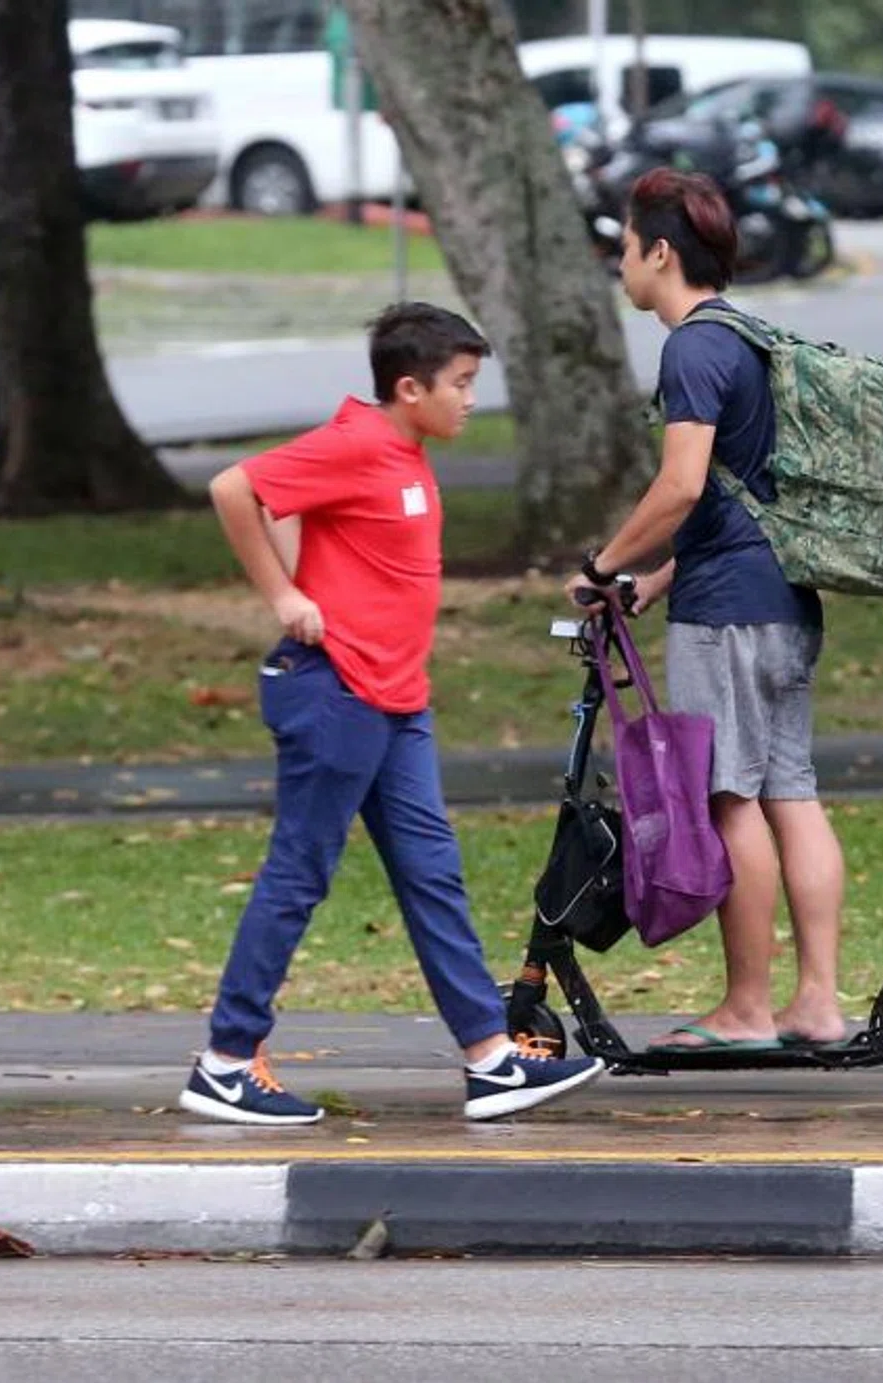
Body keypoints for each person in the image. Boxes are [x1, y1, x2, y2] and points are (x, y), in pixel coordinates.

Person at [181, 302, 607, 1126]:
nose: (471, 399)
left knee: (432, 877)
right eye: (460, 384)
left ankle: (490, 1059)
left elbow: (307, 512)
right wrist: (285, 594)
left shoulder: (405, 453)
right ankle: (227, 1059)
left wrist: (316, 571)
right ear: (409, 388)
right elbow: (236, 489)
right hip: (338, 693)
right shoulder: (358, 442)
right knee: (299, 871)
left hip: (396, 700)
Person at [566, 169, 848, 1053]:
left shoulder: (691, 347)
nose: (619, 264)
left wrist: (605, 564)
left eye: (623, 247)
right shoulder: (751, 337)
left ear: (660, 252)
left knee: (730, 799)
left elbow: (684, 485)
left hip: (729, 615)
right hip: (784, 603)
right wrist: (657, 583)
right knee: (791, 793)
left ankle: (749, 1008)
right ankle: (818, 1002)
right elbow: (743, 497)